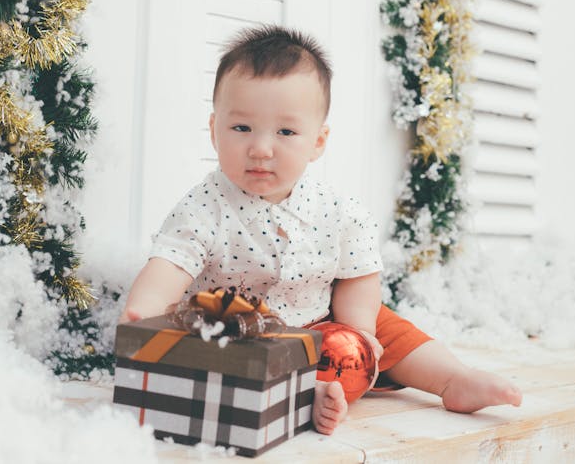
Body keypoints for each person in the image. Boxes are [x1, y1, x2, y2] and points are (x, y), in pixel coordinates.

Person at [118, 25, 522, 435]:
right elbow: (170, 264)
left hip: (322, 320)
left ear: (318, 141)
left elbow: (358, 274)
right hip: (240, 328)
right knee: (227, 360)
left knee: (391, 329)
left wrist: (360, 333)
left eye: (286, 132)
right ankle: (314, 394)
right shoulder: (203, 209)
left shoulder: (338, 211)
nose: (261, 148)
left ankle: (452, 378)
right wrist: (144, 311)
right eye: (241, 128)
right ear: (213, 129)